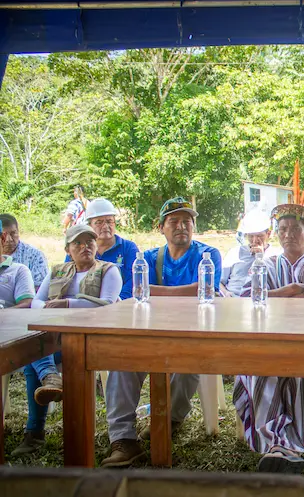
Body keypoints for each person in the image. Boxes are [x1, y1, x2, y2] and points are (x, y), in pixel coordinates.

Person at [102, 197, 222, 468]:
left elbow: (205, 290)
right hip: (152, 334)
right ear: (161, 227)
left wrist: (155, 291)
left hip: (194, 334)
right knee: (122, 364)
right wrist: (187, 291)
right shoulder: (148, 258)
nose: (181, 226)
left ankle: (169, 422)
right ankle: (124, 440)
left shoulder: (207, 255)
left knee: (187, 367)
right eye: (174, 221)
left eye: (187, 221)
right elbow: (135, 295)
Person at [234, 204, 304, 474]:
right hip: (267, 341)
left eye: (295, 229)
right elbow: (247, 298)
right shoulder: (265, 264)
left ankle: (290, 445)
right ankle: (276, 444)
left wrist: (271, 295)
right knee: (259, 369)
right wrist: (290, 289)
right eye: (282, 229)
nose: (288, 234)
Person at [12, 224, 121, 457]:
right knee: (37, 354)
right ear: (67, 249)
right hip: (58, 340)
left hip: (93, 340)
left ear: (96, 245)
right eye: (77, 244)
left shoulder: (108, 270)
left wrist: (66, 304)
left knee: (36, 359)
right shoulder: (58, 270)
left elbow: (108, 303)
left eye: (89, 242)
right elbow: (37, 303)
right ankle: (49, 382)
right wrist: (52, 309)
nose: (85, 247)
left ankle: (35, 431)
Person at [66, 198, 139, 300]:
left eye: (109, 221)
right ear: (89, 225)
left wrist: (117, 300)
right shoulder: (78, 250)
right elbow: (66, 277)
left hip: (119, 305)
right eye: (99, 222)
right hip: (82, 304)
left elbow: (135, 280)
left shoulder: (128, 248)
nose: (105, 226)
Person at [220, 210, 272, 297]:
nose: (255, 240)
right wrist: (225, 293)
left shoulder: (274, 255)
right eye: (251, 236)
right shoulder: (235, 252)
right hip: (232, 299)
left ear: (268, 234)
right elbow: (219, 282)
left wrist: (261, 258)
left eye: (259, 236)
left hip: (259, 299)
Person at [1, 213, 49, 289]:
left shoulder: (35, 255)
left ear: (18, 232)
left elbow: (41, 288)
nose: (8, 239)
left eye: (13, 233)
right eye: (3, 235)